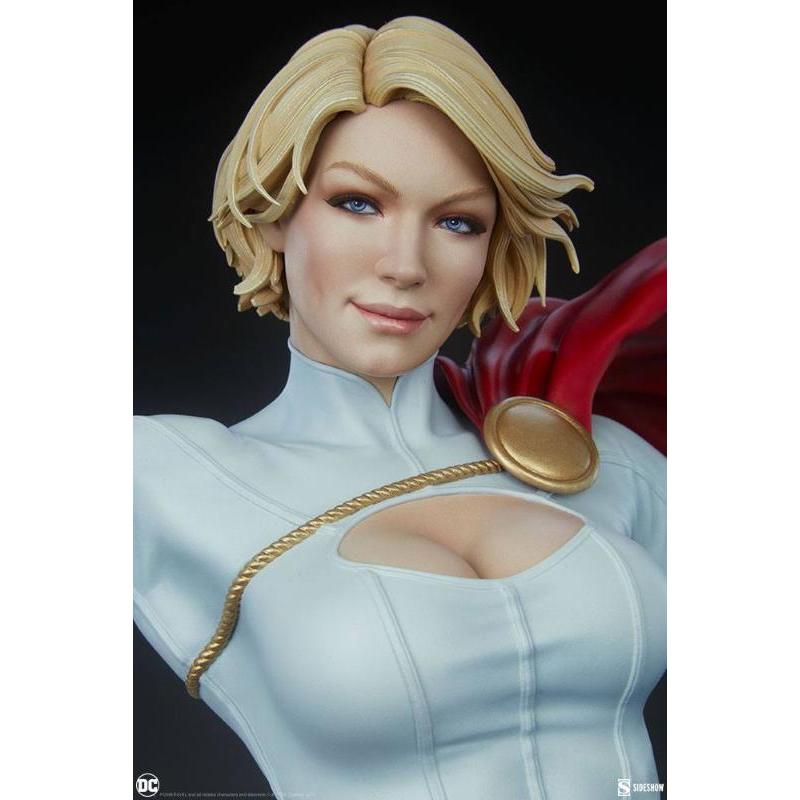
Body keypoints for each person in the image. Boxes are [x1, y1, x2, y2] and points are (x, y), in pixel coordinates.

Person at [134, 16, 666, 799]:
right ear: (275, 212)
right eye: (358, 203)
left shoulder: (608, 458)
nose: (406, 265)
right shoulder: (160, 477)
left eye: (457, 222)